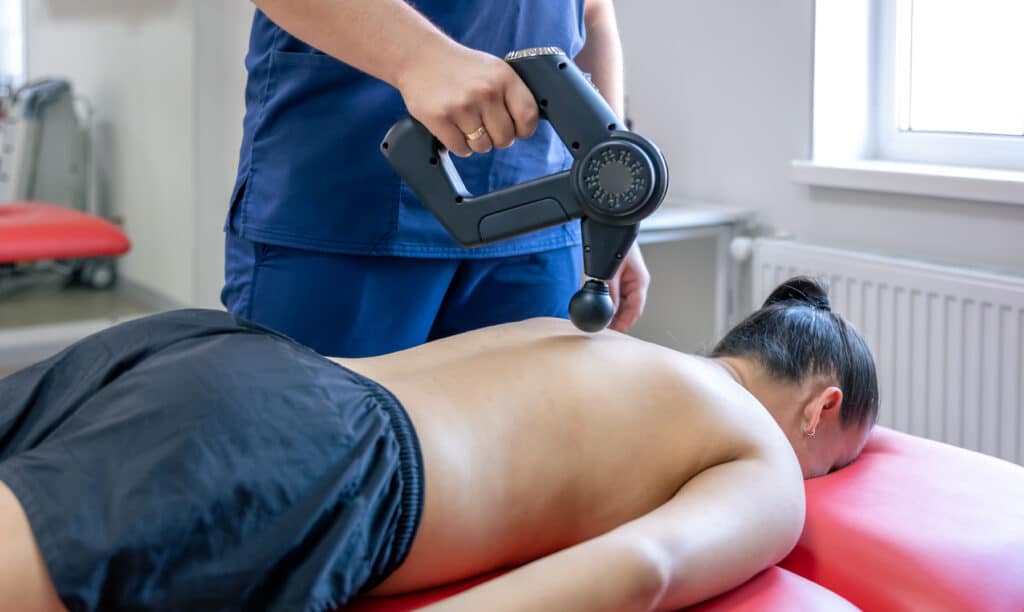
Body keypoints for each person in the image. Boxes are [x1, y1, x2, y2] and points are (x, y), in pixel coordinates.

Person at [0, 277, 878, 611]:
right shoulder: (765, 461)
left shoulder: (600, 342)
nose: (820, 480)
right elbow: (644, 571)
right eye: (836, 460)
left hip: (211, 351)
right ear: (820, 409)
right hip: (313, 445)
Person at [221, 0, 651, 358]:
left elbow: (594, 13)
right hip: (346, 205)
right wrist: (419, 59)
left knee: (526, 455)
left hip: (539, 231)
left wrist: (610, 193)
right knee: (319, 448)